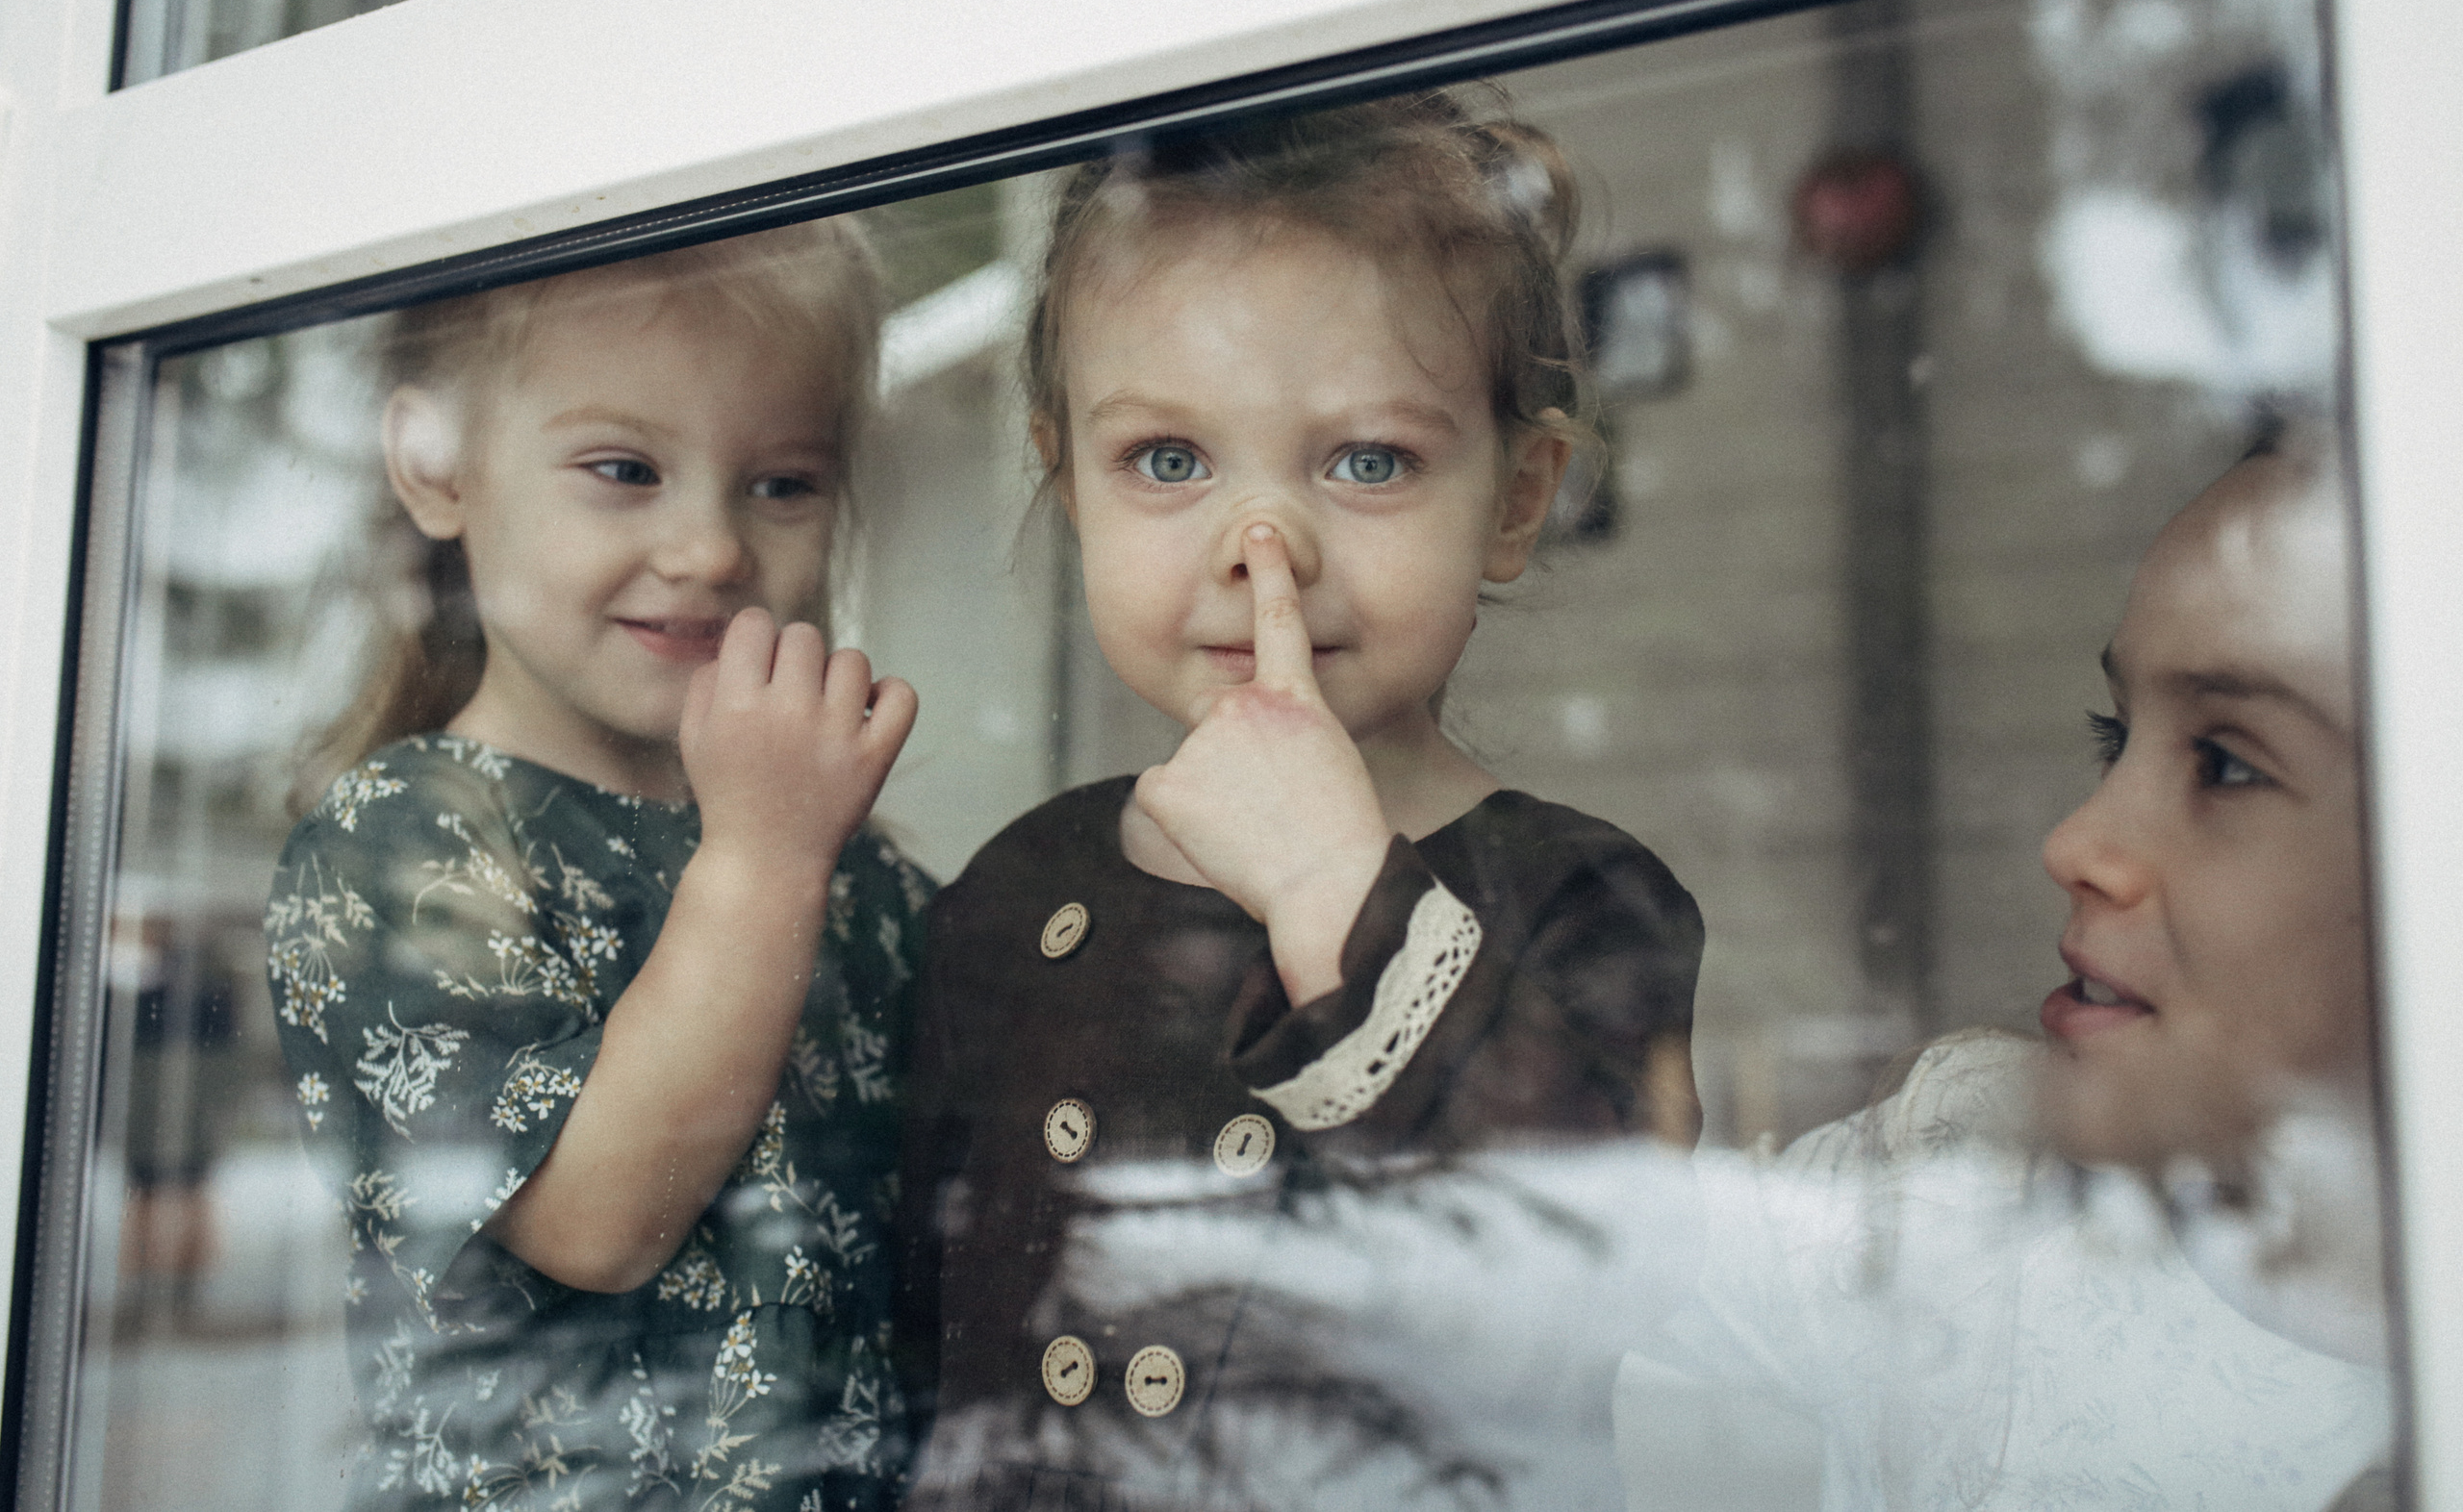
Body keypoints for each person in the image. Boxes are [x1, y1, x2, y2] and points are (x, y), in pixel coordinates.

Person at [897, 93, 1706, 1511]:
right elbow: (919, 1331)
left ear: (1517, 497)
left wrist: (1337, 881)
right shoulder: (1020, 887)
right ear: (1068, 480)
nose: (1262, 546)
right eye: (1168, 461)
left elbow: (1589, 1281)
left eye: (1368, 460)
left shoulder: (1576, 893)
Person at [263, 222, 933, 1512]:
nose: (711, 549)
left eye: (782, 483)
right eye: (624, 469)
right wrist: (768, 858)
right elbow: (597, 1219)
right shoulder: (407, 836)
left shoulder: (844, 864)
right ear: (435, 467)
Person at [1620, 426, 2393, 1511]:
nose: (2075, 842)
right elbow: (1579, 1265)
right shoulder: (1966, 1172)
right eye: (2112, 737)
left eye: (2225, 765)